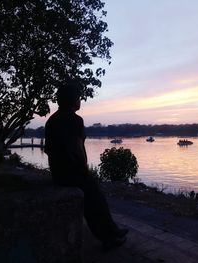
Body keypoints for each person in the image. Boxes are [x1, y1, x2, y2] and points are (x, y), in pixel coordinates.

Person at [44, 80, 128, 251]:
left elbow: (48, 150)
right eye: (78, 97)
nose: (80, 100)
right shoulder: (75, 120)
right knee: (94, 197)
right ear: (73, 100)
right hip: (71, 174)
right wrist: (84, 171)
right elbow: (78, 149)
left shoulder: (51, 121)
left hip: (58, 173)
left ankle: (110, 232)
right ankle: (109, 236)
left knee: (93, 195)